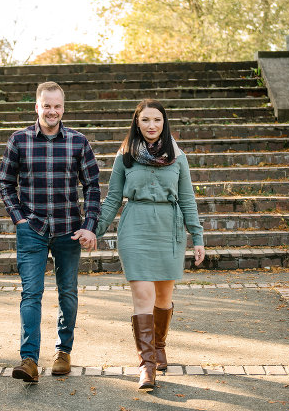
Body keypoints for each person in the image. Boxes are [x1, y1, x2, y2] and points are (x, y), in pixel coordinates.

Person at [95, 98, 205, 391]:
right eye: (145, 120)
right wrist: (94, 230)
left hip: (169, 229)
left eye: (157, 120)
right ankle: (147, 366)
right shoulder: (125, 156)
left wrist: (198, 237)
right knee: (142, 294)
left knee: (163, 297)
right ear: (137, 123)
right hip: (135, 228)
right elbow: (113, 199)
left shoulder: (178, 157)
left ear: (164, 123)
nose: (151, 125)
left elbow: (188, 200)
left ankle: (158, 345)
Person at [0, 81, 100, 383]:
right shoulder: (19, 140)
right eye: (47, 106)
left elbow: (92, 186)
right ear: (37, 107)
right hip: (33, 228)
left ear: (63, 108)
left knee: (67, 292)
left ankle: (63, 352)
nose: (52, 111)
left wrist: (89, 225)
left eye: (57, 106)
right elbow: (5, 183)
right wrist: (19, 219)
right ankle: (28, 359)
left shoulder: (78, 142)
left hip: (69, 230)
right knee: (31, 293)